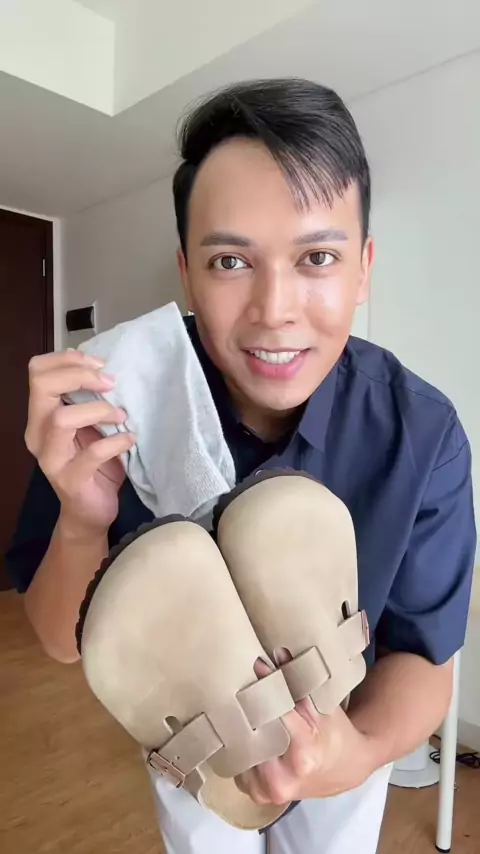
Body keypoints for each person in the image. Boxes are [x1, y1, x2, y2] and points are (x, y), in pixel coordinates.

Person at [5, 78, 476, 854]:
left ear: (362, 269)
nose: (274, 309)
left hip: (347, 722)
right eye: (230, 261)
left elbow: (425, 656)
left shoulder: (421, 432)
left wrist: (352, 753)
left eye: (317, 257)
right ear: (187, 273)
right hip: (194, 733)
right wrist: (84, 520)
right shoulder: (116, 408)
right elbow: (60, 640)